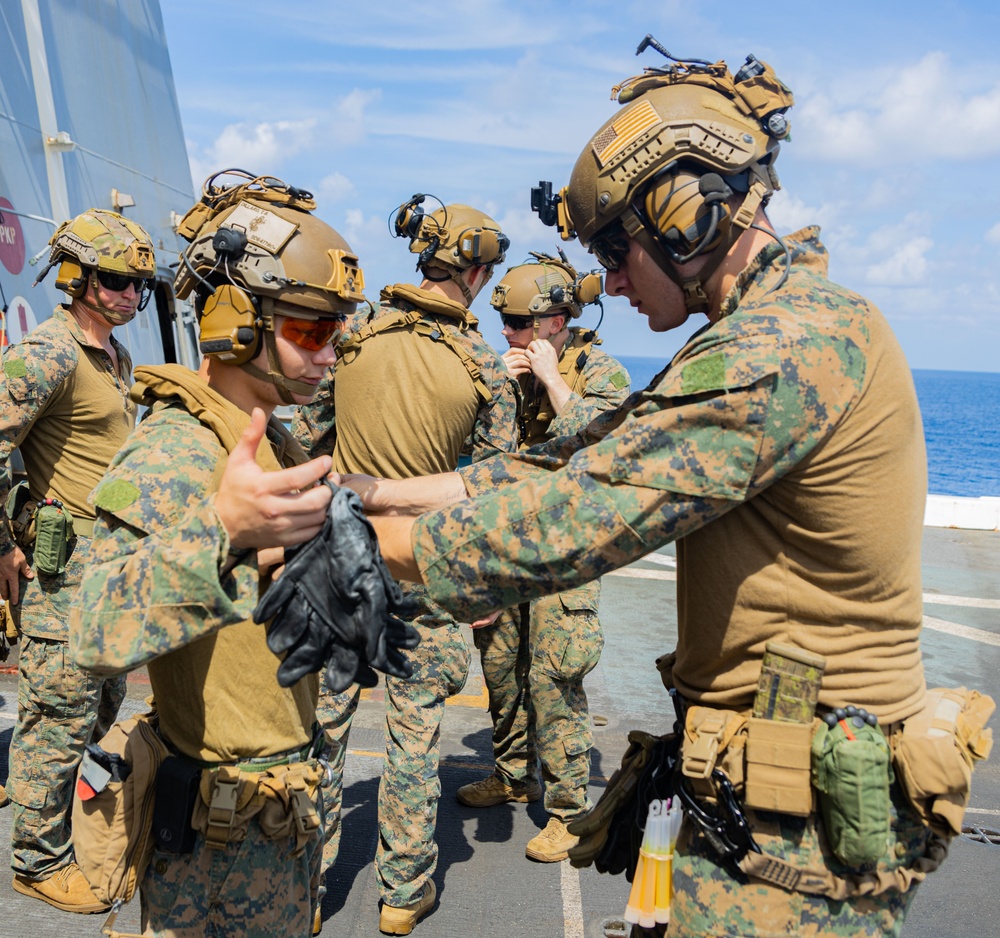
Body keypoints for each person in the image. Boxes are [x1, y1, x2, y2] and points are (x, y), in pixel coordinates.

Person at [330, 47, 965, 938]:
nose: (613, 281)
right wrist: (372, 497)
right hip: (755, 789)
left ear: (683, 217)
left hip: (795, 824)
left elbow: (581, 517)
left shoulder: (784, 348)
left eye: (616, 250)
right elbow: (573, 458)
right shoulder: (765, 331)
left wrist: (351, 556)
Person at [69, 171, 366, 938]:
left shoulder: (265, 435)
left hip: (274, 818)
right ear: (238, 321)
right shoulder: (175, 448)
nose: (329, 353)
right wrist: (223, 534)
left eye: (335, 332)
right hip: (215, 848)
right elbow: (93, 633)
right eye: (309, 331)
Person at [292, 194, 517, 935]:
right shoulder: (485, 363)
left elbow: (306, 439)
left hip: (340, 559)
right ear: (477, 267)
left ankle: (305, 884)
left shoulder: (352, 336)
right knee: (413, 736)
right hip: (424, 567)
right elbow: (494, 487)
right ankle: (402, 892)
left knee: (321, 733)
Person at [0, 209, 155, 913]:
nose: (129, 296)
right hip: (64, 573)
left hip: (112, 568)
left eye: (140, 287)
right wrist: (10, 538)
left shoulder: (113, 356)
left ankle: (57, 805)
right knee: (57, 713)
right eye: (117, 281)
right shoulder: (49, 352)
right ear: (77, 277)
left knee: (102, 701)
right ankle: (36, 859)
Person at [456, 252, 630, 863]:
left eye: (521, 323)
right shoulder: (509, 368)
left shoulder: (599, 369)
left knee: (554, 678)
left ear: (557, 321)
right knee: (501, 667)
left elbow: (609, 442)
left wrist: (554, 380)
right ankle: (511, 773)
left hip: (565, 553)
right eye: (502, 318)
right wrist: (499, 387)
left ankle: (567, 812)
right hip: (509, 545)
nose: (508, 330)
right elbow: (482, 455)